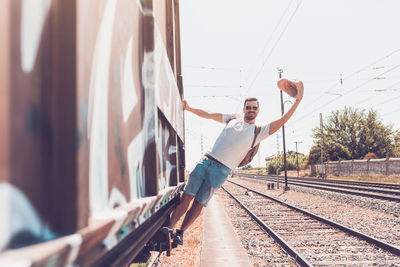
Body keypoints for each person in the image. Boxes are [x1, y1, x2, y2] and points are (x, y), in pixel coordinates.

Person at [167, 80, 304, 245]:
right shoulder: (233, 118)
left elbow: (282, 121)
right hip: (206, 162)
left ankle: (180, 233)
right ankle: (167, 229)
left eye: (254, 107)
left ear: (258, 110)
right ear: (244, 109)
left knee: (199, 204)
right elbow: (210, 114)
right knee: (186, 197)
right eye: (248, 107)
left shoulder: (258, 132)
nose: (251, 110)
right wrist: (189, 108)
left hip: (221, 172)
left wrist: (297, 102)